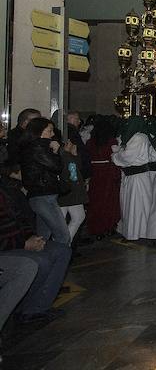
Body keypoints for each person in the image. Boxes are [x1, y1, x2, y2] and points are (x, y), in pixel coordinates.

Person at [0, 164, 71, 323]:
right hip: (8, 248)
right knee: (38, 262)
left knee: (61, 251)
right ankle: (19, 308)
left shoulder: (7, 187)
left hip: (15, 242)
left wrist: (31, 236)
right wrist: (23, 243)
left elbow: (21, 218)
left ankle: (35, 308)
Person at [19, 118, 70, 245]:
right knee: (63, 236)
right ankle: (57, 262)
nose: (52, 134)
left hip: (42, 195)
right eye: (50, 131)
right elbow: (56, 166)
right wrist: (56, 151)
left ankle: (40, 263)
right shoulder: (38, 147)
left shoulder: (34, 147)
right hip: (43, 195)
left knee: (42, 238)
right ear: (39, 132)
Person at [111, 116, 154, 241]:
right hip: (131, 177)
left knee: (137, 206)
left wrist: (115, 156)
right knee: (129, 205)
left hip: (138, 178)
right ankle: (130, 230)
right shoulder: (132, 136)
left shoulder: (139, 138)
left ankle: (138, 232)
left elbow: (127, 156)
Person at [85, 117, 121, 238]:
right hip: (107, 172)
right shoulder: (111, 141)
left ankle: (95, 228)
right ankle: (108, 226)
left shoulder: (90, 142)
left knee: (95, 200)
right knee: (108, 201)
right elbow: (115, 157)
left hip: (94, 172)